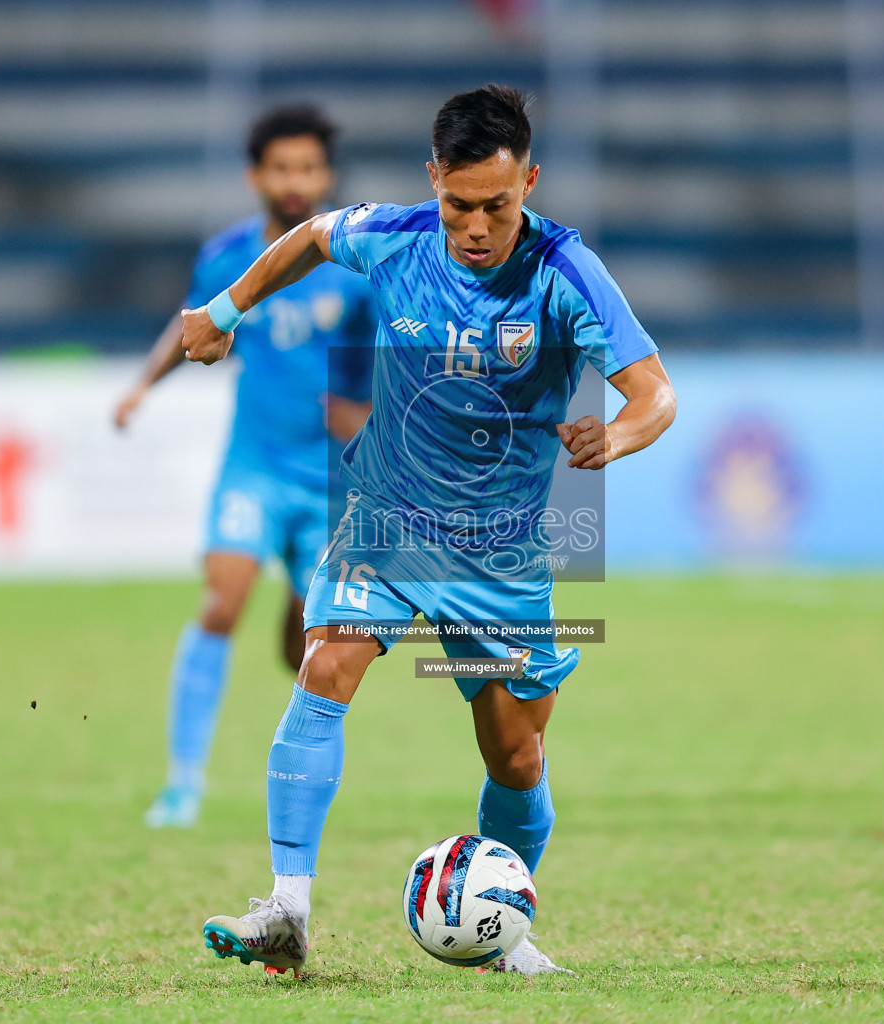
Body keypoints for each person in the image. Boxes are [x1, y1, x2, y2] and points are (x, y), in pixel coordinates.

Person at [179, 85, 676, 975]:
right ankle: (286, 909)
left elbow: (656, 394)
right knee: (326, 662)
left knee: (516, 755)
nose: (477, 226)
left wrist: (620, 435)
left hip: (501, 556)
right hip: (386, 519)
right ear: (432, 179)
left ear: (530, 179)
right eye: (459, 204)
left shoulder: (567, 273)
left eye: (498, 205)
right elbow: (309, 238)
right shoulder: (398, 236)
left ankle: (500, 934)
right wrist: (225, 311)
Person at [114, 105, 376, 829]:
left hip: (331, 480)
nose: (297, 181)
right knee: (220, 602)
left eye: (310, 168)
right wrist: (143, 385)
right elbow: (192, 322)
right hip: (254, 465)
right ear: (256, 176)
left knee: (311, 643)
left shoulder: (356, 262)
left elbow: (389, 357)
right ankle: (182, 784)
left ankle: (299, 775)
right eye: (283, 167)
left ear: (327, 175)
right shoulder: (229, 256)